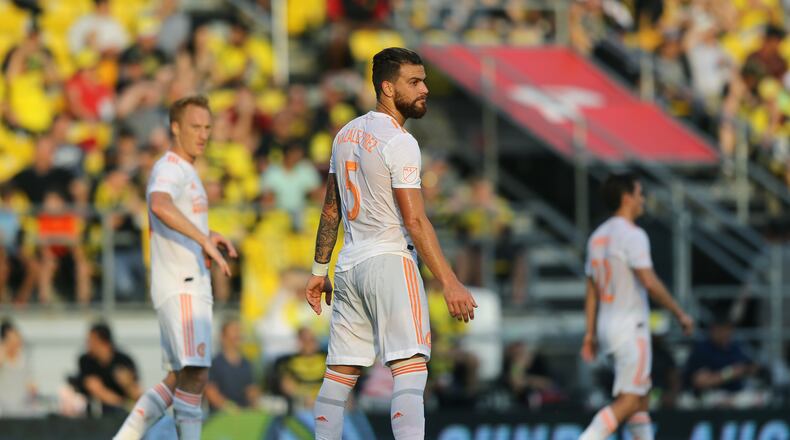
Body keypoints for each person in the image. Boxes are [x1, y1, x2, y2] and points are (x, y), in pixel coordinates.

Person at [304, 47, 478, 440]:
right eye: (414, 82)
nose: (425, 89)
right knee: (411, 367)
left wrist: (319, 271)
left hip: (349, 266)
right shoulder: (400, 142)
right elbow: (415, 220)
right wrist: (449, 281)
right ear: (387, 88)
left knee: (340, 374)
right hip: (390, 260)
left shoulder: (344, 134)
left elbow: (330, 210)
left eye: (424, 81)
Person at [113, 95, 237, 440]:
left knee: (179, 378)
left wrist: (209, 235)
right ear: (175, 127)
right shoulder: (169, 167)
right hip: (181, 284)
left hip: (186, 282)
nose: (203, 134)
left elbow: (173, 215)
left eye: (208, 127)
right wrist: (203, 239)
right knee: (195, 375)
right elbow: (159, 204)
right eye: (195, 126)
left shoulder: (188, 171)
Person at [579, 173, 694, 440]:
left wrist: (590, 333)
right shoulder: (632, 235)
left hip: (607, 327)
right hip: (631, 327)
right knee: (629, 401)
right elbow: (649, 281)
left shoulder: (596, 237)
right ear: (627, 197)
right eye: (640, 194)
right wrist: (680, 313)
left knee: (640, 399)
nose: (643, 200)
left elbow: (591, 291)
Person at [73, 323, 140, 415]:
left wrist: (128, 385)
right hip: (95, 411)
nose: (88, 344)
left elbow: (137, 394)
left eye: (91, 341)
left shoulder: (124, 360)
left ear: (104, 342)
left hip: (122, 413)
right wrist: (123, 404)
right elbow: (95, 388)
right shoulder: (86, 360)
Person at [205, 318, 259, 412]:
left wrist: (254, 400)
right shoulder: (215, 363)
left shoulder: (247, 364)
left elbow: (251, 390)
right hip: (220, 417)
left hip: (243, 416)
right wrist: (230, 408)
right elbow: (211, 392)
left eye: (238, 330)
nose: (238, 334)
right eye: (234, 330)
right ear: (223, 336)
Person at [0, 319, 38, 417]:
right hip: (3, 408)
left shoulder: (23, 359)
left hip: (21, 408)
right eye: (11, 338)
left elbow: (30, 382)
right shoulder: (2, 357)